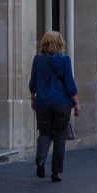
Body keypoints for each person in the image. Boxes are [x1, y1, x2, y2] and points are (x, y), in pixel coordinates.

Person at [29, 30, 80, 182]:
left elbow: (33, 83)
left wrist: (33, 99)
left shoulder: (38, 59)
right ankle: (56, 172)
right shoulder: (64, 59)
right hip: (61, 103)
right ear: (60, 43)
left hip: (43, 102)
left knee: (44, 133)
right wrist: (76, 102)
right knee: (59, 136)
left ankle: (41, 159)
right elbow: (70, 84)